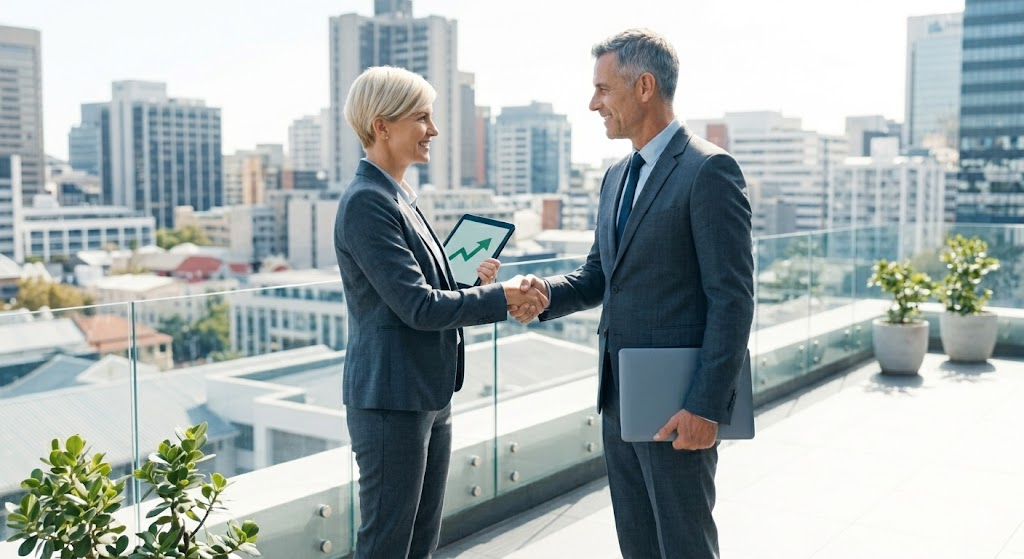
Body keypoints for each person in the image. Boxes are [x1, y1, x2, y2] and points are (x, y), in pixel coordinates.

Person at [510, 29, 754, 558]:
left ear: (644, 86)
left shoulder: (709, 171)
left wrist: (705, 407)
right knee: (637, 543)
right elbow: (601, 275)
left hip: (678, 401)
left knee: (684, 543)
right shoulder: (617, 175)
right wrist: (543, 293)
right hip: (618, 395)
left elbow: (732, 301)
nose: (593, 103)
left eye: (603, 89)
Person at [334, 66, 548, 559]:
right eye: (422, 118)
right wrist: (504, 297)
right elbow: (417, 307)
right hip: (392, 400)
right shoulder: (368, 203)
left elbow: (427, 291)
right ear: (382, 126)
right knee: (388, 543)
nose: (433, 131)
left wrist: (475, 284)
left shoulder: (399, 197)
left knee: (421, 540)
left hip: (427, 393)